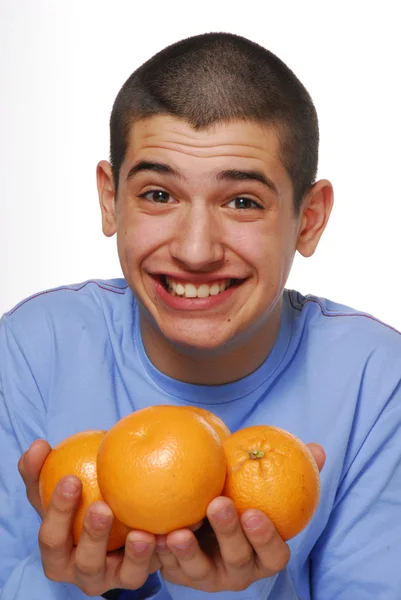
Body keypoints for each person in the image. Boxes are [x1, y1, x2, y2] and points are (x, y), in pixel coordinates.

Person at [1, 31, 400, 600]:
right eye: (159, 195)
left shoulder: (377, 380)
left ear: (308, 220)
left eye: (242, 202)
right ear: (110, 199)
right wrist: (75, 586)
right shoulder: (31, 350)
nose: (194, 250)